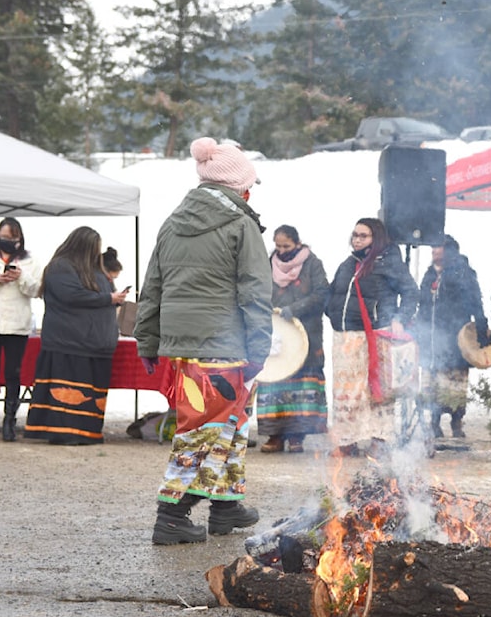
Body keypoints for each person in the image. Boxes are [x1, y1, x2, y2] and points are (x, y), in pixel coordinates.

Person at [136, 136, 272, 545]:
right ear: (238, 186)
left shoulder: (173, 221)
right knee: (204, 429)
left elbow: (153, 286)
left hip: (185, 346)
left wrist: (147, 339)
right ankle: (172, 516)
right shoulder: (240, 224)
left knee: (228, 423)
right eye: (250, 185)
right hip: (223, 344)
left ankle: (226, 507)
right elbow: (255, 291)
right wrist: (260, 347)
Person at [23, 227, 127, 445]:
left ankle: (84, 432)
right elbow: (72, 295)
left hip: (92, 344)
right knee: (68, 390)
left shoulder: (93, 270)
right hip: (67, 341)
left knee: (87, 392)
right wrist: (108, 298)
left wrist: (113, 296)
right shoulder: (60, 267)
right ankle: (64, 433)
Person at [324, 217, 418, 456]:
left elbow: (410, 292)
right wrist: (330, 310)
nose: (357, 239)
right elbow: (334, 291)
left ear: (376, 238)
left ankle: (380, 439)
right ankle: (347, 439)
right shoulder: (348, 264)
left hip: (374, 336)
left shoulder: (388, 262)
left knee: (377, 390)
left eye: (363, 236)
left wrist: (399, 318)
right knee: (347, 391)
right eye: (355, 235)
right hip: (345, 337)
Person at [257, 224, 330, 453]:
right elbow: (257, 291)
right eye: (278, 246)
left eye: (286, 246)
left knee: (302, 384)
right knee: (274, 382)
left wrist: (295, 309)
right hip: (275, 336)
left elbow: (321, 294)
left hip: (305, 335)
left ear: (297, 244)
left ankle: (298, 436)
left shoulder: (312, 264)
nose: (281, 250)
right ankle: (275, 435)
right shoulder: (268, 263)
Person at [415, 235, 489, 439]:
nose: (433, 250)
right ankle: (434, 423)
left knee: (454, 383)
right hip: (431, 337)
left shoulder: (462, 272)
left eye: (438, 247)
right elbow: (423, 304)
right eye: (433, 246)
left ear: (449, 251)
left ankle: (457, 422)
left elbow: (475, 300)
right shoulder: (430, 274)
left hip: (453, 336)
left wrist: (481, 326)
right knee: (432, 382)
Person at [0, 217, 42, 441]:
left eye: (12, 239)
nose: (8, 242)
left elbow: (37, 289)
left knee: (13, 374)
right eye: (4, 238)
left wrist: (20, 276)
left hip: (17, 325)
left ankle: (9, 420)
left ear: (20, 239)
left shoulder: (30, 260)